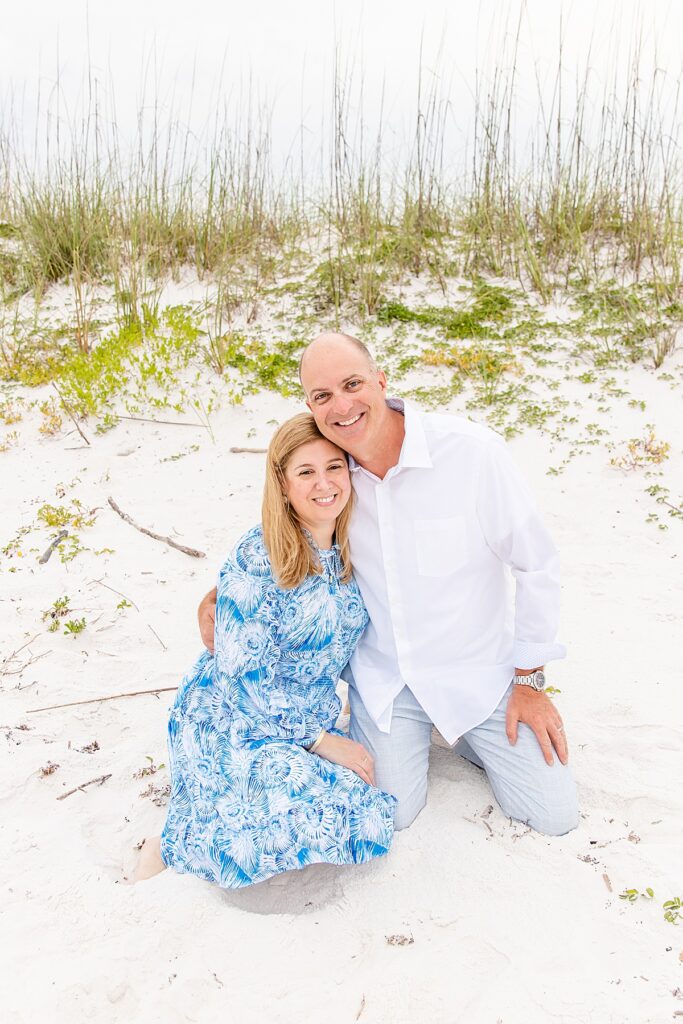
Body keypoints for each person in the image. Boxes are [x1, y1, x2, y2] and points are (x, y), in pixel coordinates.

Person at [198, 333, 580, 837]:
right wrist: (217, 596)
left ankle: (462, 733)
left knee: (555, 816)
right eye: (322, 396)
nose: (342, 405)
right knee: (392, 816)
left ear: (381, 380)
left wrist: (530, 682)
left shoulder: (471, 454)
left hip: (477, 677)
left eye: (353, 384)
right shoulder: (334, 472)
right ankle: (421, 733)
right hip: (388, 685)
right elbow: (285, 531)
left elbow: (537, 565)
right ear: (310, 405)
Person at [134, 412, 395, 886]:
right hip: (232, 717)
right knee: (293, 824)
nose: (324, 484)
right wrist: (319, 741)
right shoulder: (258, 556)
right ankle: (173, 842)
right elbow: (241, 679)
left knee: (366, 815)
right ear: (282, 481)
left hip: (306, 713)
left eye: (334, 467)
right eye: (306, 472)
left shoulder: (357, 547)